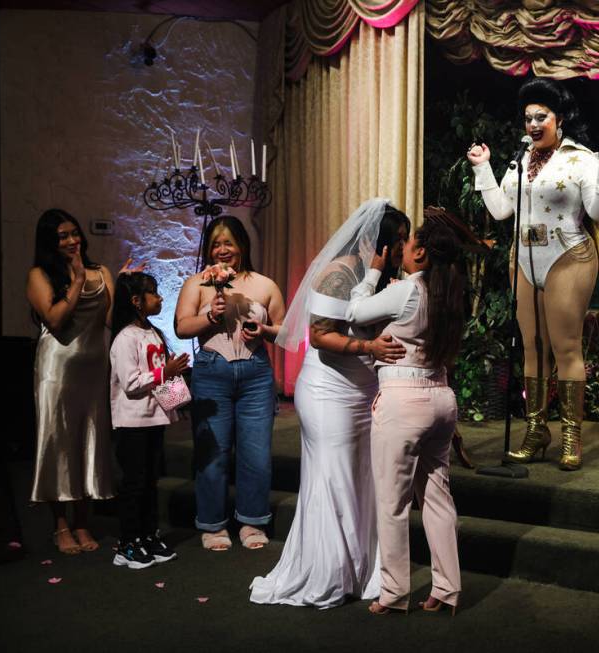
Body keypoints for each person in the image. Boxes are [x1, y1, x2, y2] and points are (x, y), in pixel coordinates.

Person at [250, 198, 408, 608]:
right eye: (401, 241)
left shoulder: (378, 278)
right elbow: (320, 336)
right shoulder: (338, 274)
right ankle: (327, 572)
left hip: (361, 392)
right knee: (332, 479)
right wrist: (369, 345)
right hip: (327, 394)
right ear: (381, 244)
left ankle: (359, 571)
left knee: (360, 480)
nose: (404, 250)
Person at [467, 77, 599, 470]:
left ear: (559, 118)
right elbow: (503, 211)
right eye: (528, 118)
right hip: (523, 256)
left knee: (566, 346)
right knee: (531, 346)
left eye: (542, 116)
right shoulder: (519, 160)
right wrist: (484, 168)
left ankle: (571, 433)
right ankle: (536, 430)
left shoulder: (582, 159)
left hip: (567, 255)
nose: (533, 124)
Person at [346, 219, 465, 615]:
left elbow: (354, 310)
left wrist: (374, 272)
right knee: (437, 497)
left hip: (405, 400)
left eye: (409, 242)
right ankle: (446, 589)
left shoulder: (409, 291)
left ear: (421, 253)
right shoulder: (451, 291)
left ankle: (395, 593)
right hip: (442, 399)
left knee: (393, 503)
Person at [174, 215, 286, 551]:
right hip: (211, 372)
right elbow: (181, 327)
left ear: (242, 246)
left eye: (229, 243)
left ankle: (252, 520)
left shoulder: (265, 285)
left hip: (255, 375)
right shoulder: (197, 283)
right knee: (213, 452)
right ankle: (212, 523)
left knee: (256, 453)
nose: (222, 250)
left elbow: (285, 328)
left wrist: (264, 331)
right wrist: (210, 315)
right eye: (216, 244)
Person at [27, 208, 116, 554]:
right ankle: (60, 525)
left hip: (94, 368)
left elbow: (108, 319)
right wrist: (76, 281)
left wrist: (121, 284)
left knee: (89, 440)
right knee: (59, 441)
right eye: (62, 236)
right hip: (57, 369)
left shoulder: (100, 271)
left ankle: (82, 520)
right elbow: (55, 319)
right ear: (51, 242)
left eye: (74, 233)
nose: (71, 240)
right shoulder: (40, 274)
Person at [109, 271, 188, 569]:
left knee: (150, 482)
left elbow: (159, 374)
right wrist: (165, 372)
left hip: (154, 419)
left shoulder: (154, 333)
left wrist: (175, 403)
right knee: (134, 483)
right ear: (136, 301)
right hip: (132, 422)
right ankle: (128, 543)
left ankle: (147, 535)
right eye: (153, 293)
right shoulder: (125, 338)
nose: (160, 297)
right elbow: (130, 383)